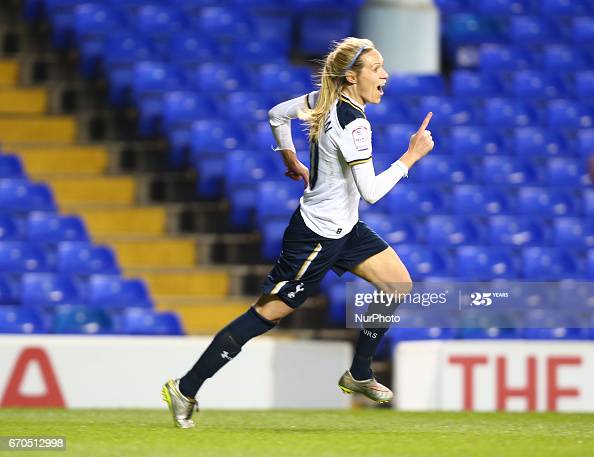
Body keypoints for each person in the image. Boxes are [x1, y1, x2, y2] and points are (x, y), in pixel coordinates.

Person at [161, 37, 435, 428]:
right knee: (266, 315)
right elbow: (371, 192)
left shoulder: (321, 102)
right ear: (350, 77)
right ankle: (185, 389)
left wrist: (288, 157)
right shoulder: (355, 125)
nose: (384, 74)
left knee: (396, 284)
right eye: (376, 68)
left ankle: (358, 373)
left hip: (343, 226)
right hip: (317, 237)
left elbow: (276, 115)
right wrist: (412, 155)